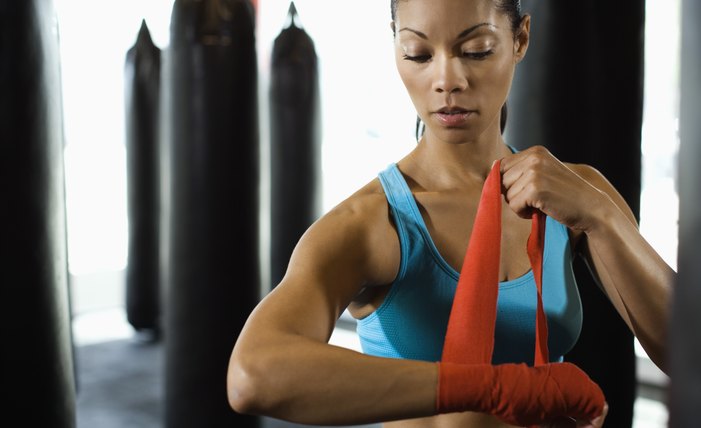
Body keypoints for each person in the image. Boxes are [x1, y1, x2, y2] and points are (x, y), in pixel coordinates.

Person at [227, 0, 674, 426]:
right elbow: (252, 375)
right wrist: (493, 387)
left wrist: (602, 217)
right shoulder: (372, 223)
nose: (447, 79)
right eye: (418, 54)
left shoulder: (575, 195)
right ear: (395, 47)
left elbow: (693, 355)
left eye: (476, 50)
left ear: (520, 39)